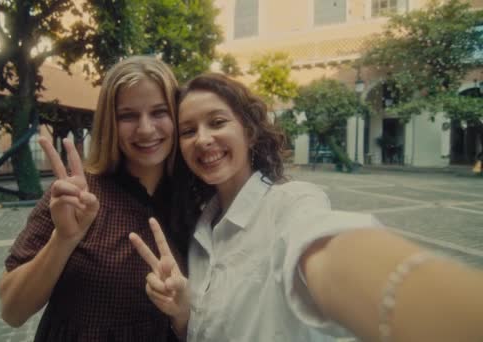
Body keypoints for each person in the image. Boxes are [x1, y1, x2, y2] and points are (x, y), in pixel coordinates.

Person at [130, 73, 483, 342]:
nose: (203, 139)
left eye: (218, 122)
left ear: (249, 132)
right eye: (189, 130)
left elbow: (327, 252)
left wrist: (423, 303)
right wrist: (181, 314)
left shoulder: (292, 203)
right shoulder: (199, 232)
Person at [0, 56, 186, 341]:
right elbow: (12, 311)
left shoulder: (193, 198)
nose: (146, 129)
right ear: (110, 122)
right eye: (128, 115)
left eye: (159, 112)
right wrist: (63, 239)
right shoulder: (76, 194)